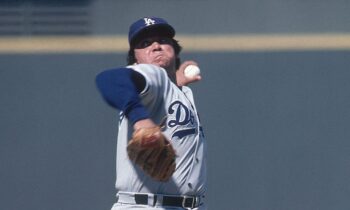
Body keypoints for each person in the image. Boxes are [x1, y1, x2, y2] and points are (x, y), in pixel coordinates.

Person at [95, 17, 207, 210]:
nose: (156, 46)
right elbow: (109, 79)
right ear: (135, 58)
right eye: (145, 43)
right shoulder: (152, 76)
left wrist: (176, 82)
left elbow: (166, 88)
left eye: (163, 40)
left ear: (174, 48)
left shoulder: (178, 90)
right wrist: (140, 120)